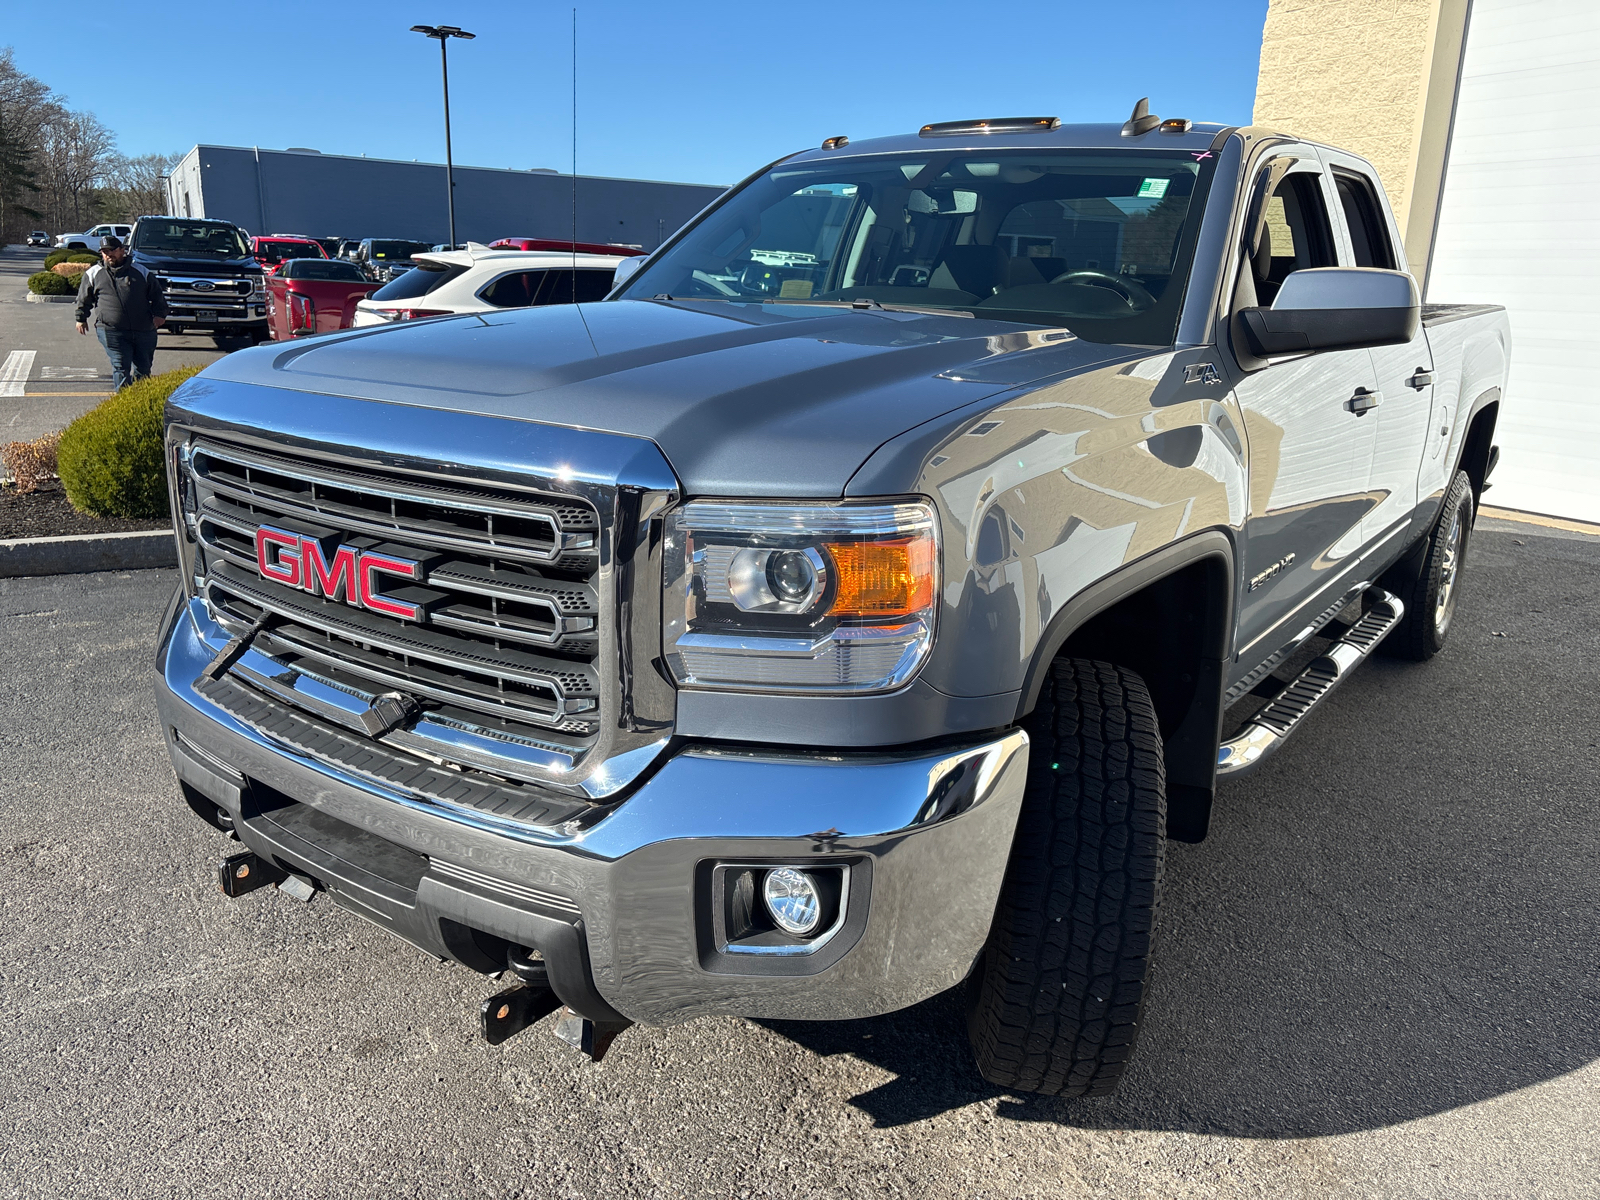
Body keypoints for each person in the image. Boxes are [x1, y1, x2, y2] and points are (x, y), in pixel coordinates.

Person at [74, 235, 167, 389]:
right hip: (111, 330)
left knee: (143, 368)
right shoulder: (93, 273)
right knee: (120, 366)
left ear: (122, 250)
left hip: (144, 330)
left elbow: (157, 295)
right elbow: (84, 298)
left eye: (111, 250)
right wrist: (80, 318)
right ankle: (124, 401)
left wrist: (160, 315)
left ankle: (141, 402)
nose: (108, 254)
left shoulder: (141, 271)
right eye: (104, 251)